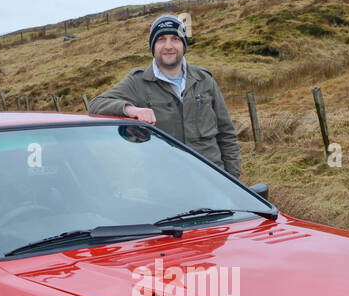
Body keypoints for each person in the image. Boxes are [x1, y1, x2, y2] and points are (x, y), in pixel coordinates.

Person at [88, 14, 243, 176]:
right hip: (165, 185)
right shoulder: (138, 82)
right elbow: (96, 104)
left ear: (183, 45)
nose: (168, 46)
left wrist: (233, 180)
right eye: (161, 39)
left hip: (214, 180)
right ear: (153, 46)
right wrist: (131, 110)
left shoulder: (204, 79)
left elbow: (227, 135)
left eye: (175, 39)